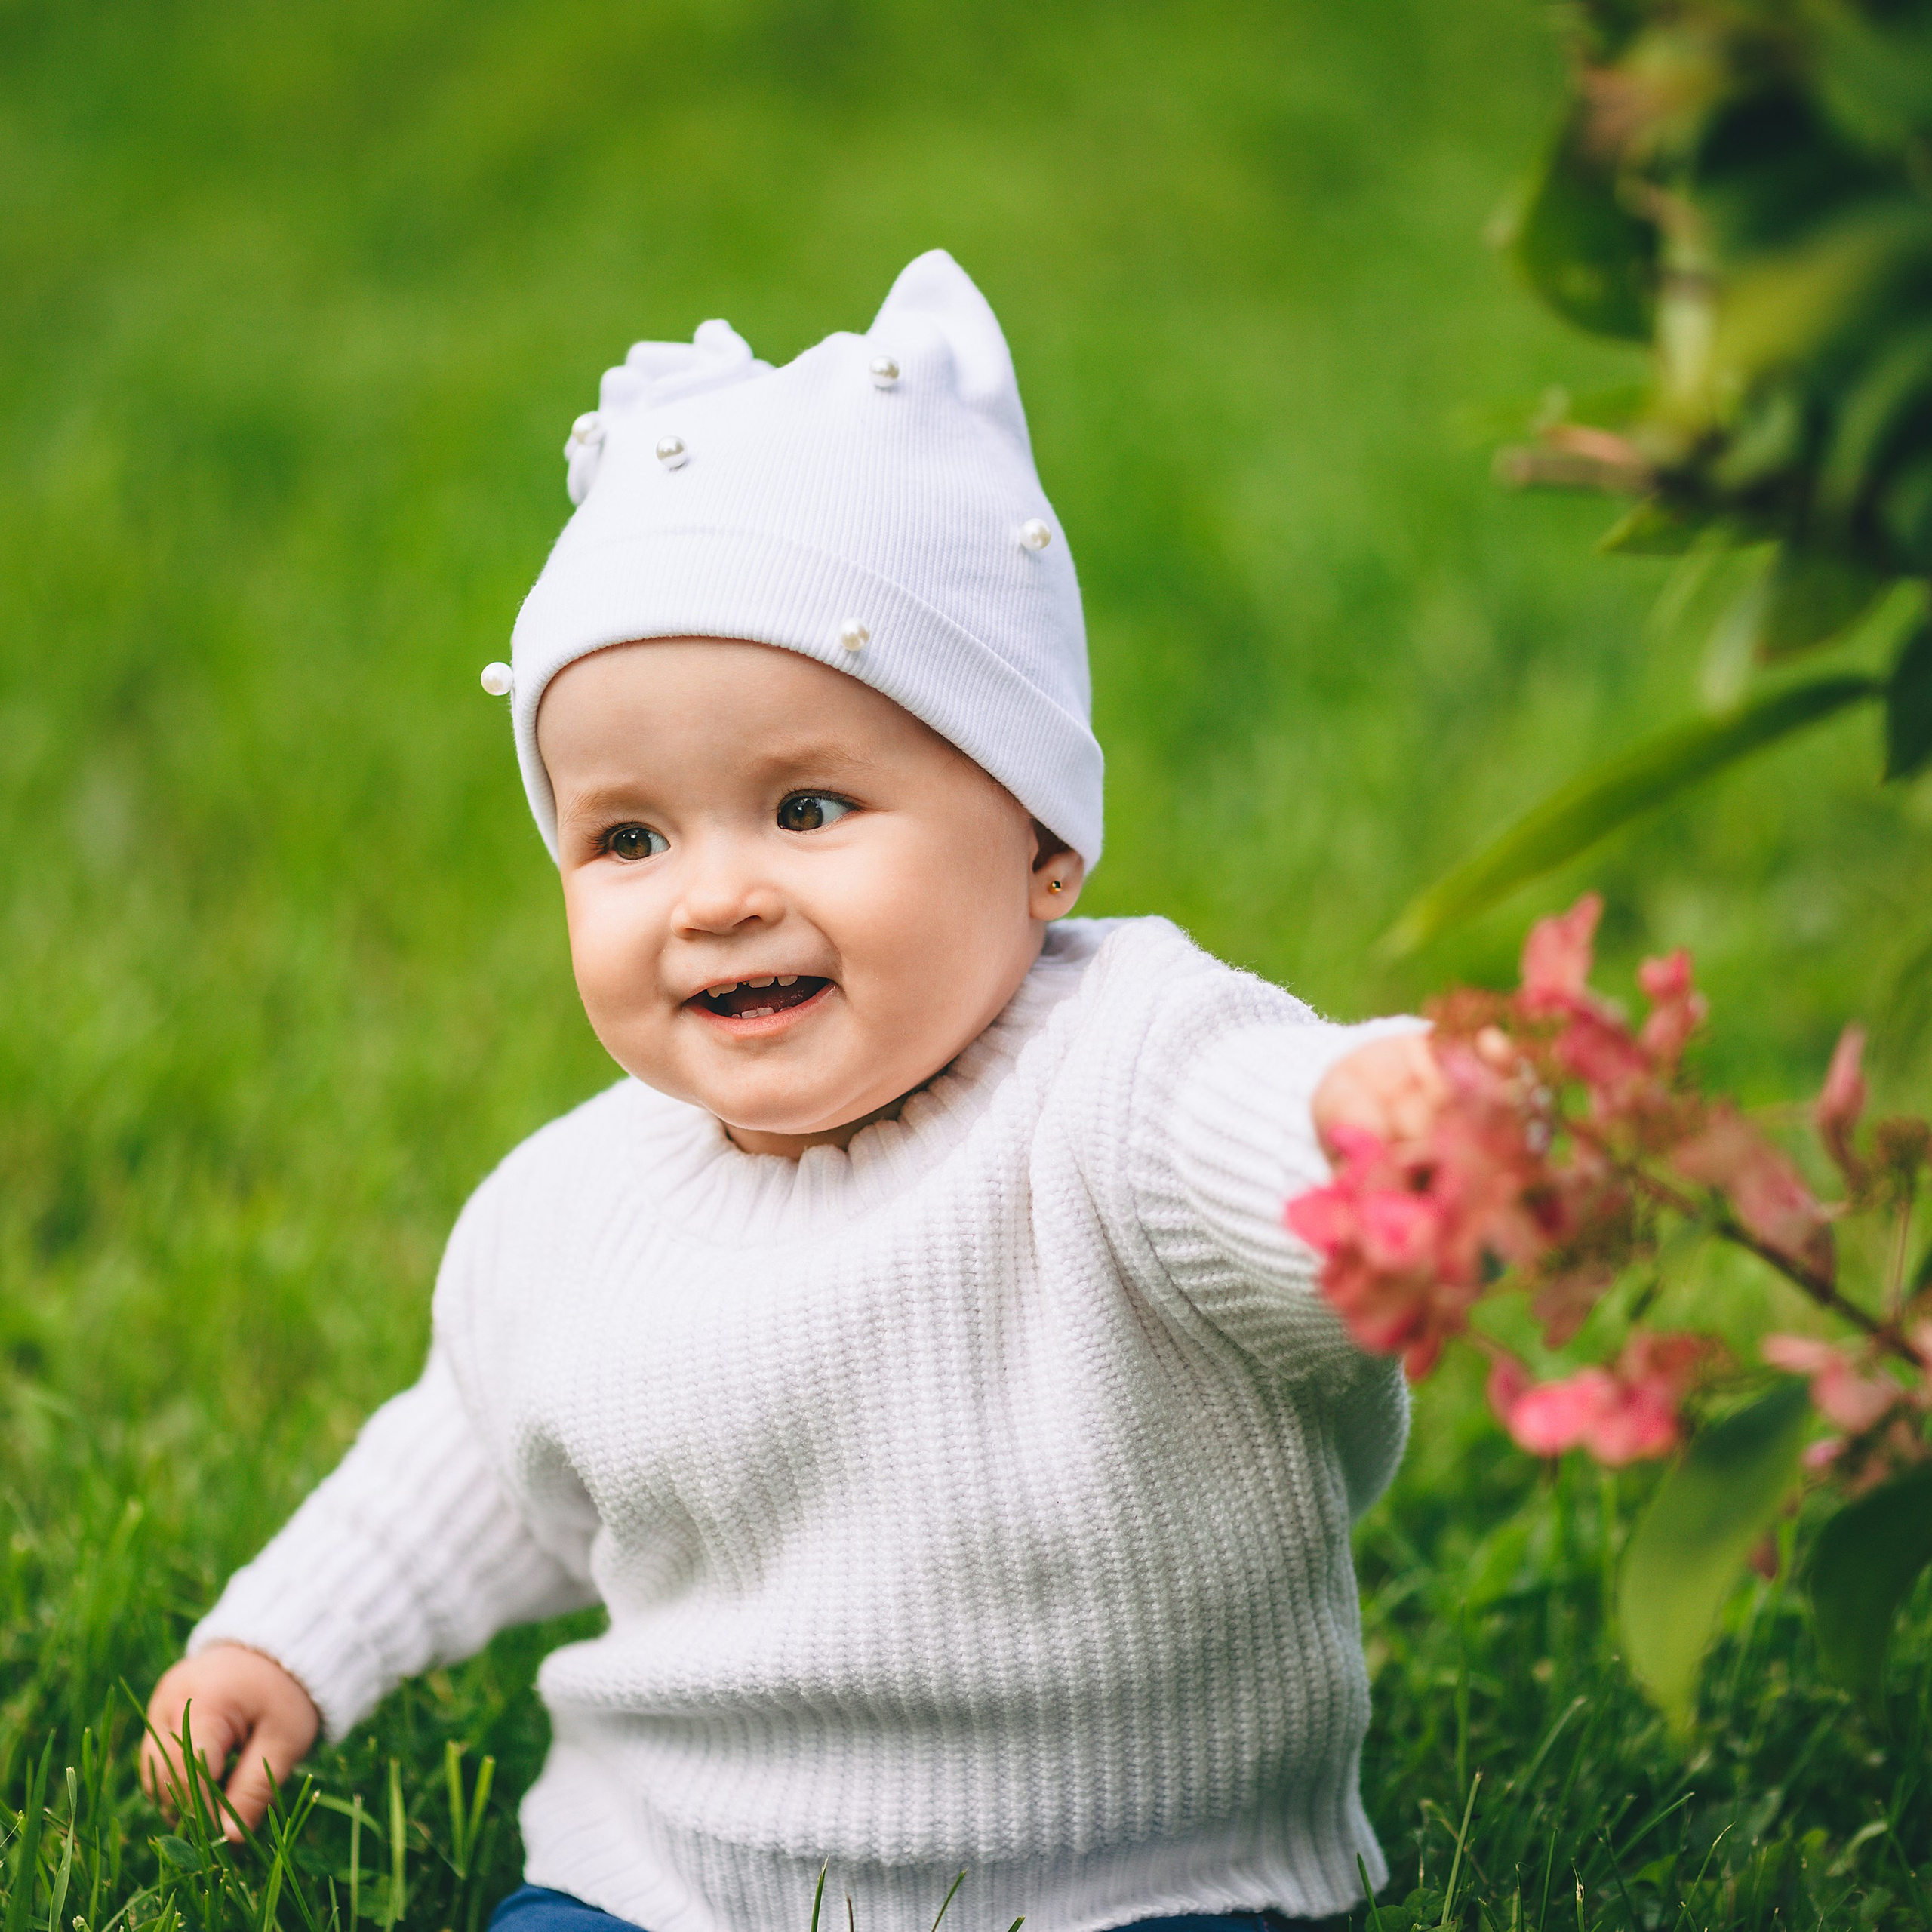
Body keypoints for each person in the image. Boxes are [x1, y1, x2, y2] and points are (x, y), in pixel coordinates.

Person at [143, 252, 1445, 1932]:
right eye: (627, 835)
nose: (713, 895)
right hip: (672, 1873)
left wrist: (1376, 1108)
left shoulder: (1123, 1078)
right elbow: (481, 1442)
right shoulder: (578, 1206)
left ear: (1042, 837)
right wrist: (289, 1636)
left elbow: (1255, 1131)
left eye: (809, 806)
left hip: (1129, 1873)